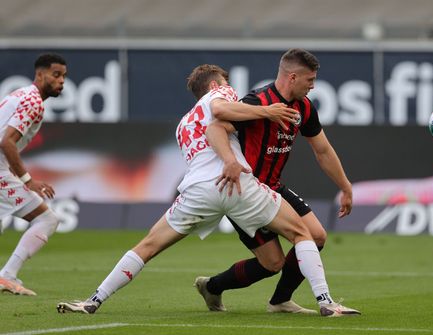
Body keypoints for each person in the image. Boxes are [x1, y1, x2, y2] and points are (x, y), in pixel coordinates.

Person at [56, 64, 355, 317]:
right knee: (303, 234)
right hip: (237, 185)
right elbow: (220, 110)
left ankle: (93, 300)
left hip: (197, 191)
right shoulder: (220, 94)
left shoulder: (183, 124)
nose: (231, 89)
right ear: (215, 84)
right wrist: (264, 115)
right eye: (227, 84)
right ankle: (325, 302)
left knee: (147, 246)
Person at [194, 48, 356, 315]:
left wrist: (345, 185)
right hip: (246, 194)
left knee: (316, 236)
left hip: (274, 187)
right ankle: (212, 286)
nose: (313, 86)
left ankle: (280, 301)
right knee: (272, 264)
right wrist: (228, 162)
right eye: (310, 80)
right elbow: (217, 126)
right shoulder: (257, 102)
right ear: (292, 77)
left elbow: (323, 150)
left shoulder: (304, 107)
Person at [0, 53, 67, 296]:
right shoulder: (33, 101)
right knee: (47, 220)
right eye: (56, 75)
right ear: (40, 75)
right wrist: (29, 181)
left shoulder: (20, 95)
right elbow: (6, 142)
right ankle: (7, 275)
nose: (61, 81)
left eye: (64, 77)